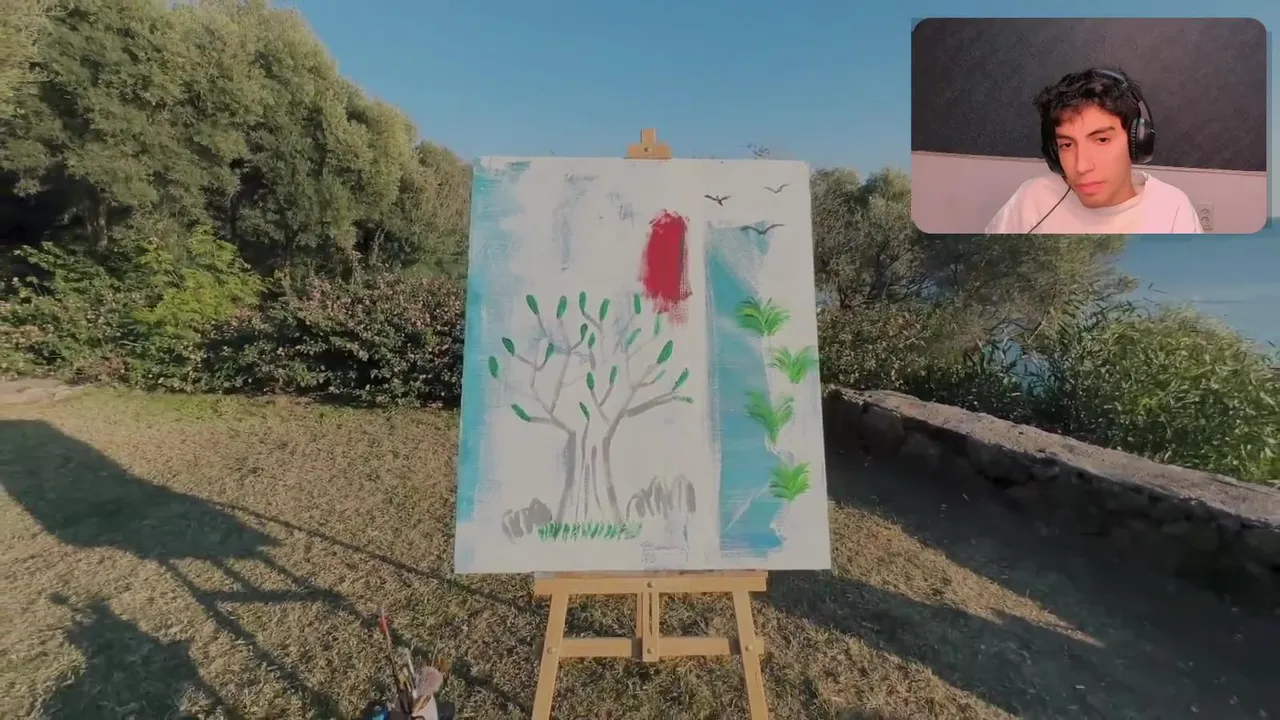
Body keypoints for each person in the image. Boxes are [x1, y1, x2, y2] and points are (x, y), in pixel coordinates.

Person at [985, 68, 1202, 234]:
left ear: (1136, 142)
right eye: (1067, 145)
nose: (1081, 166)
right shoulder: (1033, 198)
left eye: (1101, 140)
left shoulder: (1172, 209)